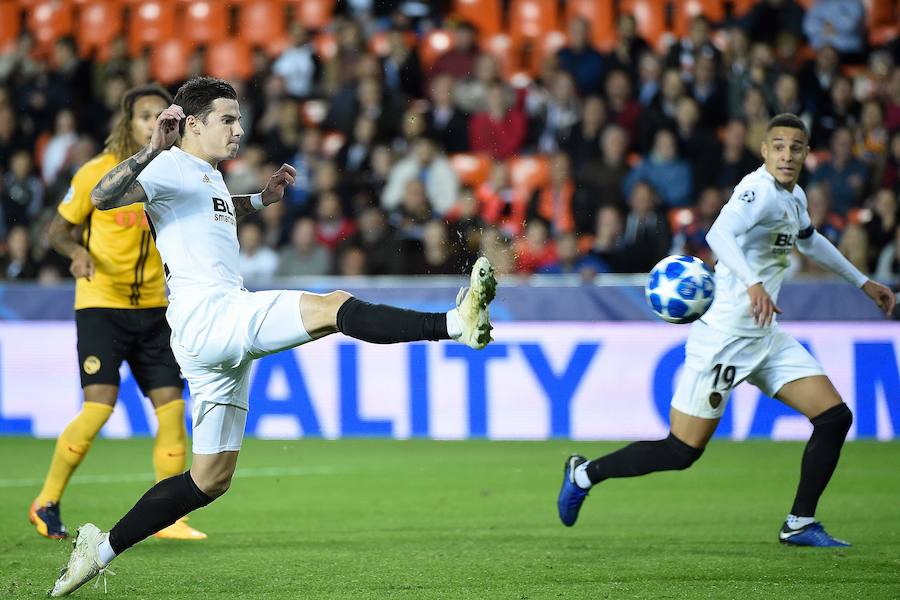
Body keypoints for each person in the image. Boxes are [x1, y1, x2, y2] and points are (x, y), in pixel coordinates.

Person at [48, 76, 497, 597]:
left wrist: (260, 200)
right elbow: (104, 199)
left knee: (208, 480)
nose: (239, 130)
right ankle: (451, 324)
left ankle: (96, 552)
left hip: (204, 336)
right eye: (228, 120)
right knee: (332, 307)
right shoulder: (168, 164)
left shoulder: (206, 174)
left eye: (238, 119)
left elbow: (215, 209)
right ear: (192, 124)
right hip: (213, 316)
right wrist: (151, 149)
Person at [557, 114, 896, 547]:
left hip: (765, 335)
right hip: (724, 339)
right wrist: (754, 283)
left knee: (834, 418)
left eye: (796, 147)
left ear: (808, 153)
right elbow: (719, 232)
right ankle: (584, 473)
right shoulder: (757, 192)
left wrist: (862, 282)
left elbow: (809, 240)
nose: (787, 155)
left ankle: (799, 522)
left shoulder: (794, 199)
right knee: (682, 451)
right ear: (764, 151)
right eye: (778, 146)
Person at [30, 84, 206, 543]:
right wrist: (75, 254)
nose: (152, 123)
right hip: (101, 306)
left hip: (155, 310)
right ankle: (46, 502)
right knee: (99, 406)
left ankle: (170, 518)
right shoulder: (98, 173)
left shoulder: (177, 174)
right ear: (127, 123)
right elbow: (58, 230)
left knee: (171, 411)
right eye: (144, 116)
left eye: (159, 115)